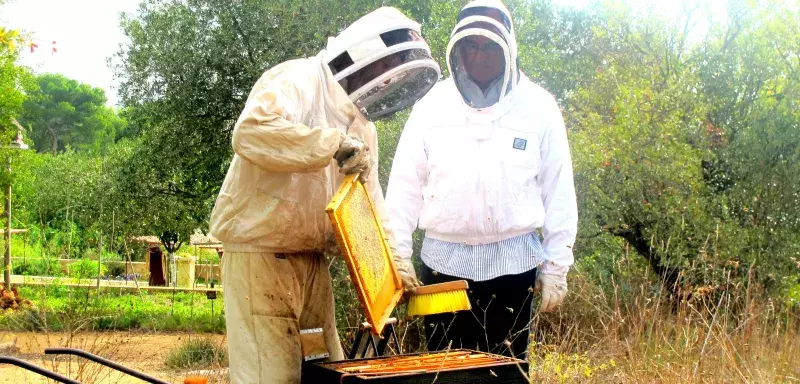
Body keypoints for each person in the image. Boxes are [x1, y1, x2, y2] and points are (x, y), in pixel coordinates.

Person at [208, 7, 439, 383]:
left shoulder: (363, 127)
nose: (386, 83)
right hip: (261, 260)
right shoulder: (297, 79)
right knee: (271, 376)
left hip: (314, 265)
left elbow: (370, 200)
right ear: (365, 53)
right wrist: (329, 144)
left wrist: (395, 264)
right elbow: (250, 133)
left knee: (327, 374)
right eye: (388, 67)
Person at [384, 0, 578, 359]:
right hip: (441, 268)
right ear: (456, 48)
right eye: (471, 46)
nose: (479, 56)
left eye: (489, 47)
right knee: (443, 372)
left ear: (508, 49)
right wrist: (397, 254)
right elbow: (404, 186)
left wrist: (556, 266)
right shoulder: (431, 104)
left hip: (514, 267)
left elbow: (559, 190)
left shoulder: (539, 106)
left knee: (505, 372)